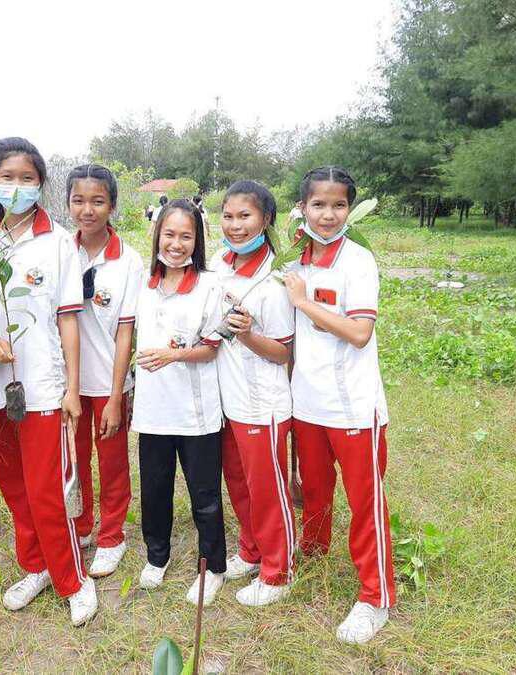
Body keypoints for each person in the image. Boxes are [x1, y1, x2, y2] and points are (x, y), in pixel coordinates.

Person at [0, 137, 97, 626]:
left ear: (41, 184)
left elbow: (68, 318)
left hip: (43, 384)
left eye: (27, 178)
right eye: (7, 177)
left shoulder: (58, 242)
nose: (17, 186)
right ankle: (35, 566)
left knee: (46, 488)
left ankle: (73, 579)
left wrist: (72, 387)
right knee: (13, 486)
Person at [282, 166, 395, 644]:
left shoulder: (358, 261)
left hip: (353, 406)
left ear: (350, 209)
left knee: (365, 502)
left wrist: (305, 303)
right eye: (318, 205)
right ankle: (312, 556)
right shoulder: (296, 262)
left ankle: (375, 596)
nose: (328, 215)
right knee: (314, 490)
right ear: (302, 208)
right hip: (307, 403)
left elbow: (359, 332)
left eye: (338, 205)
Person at [132, 199, 227, 606]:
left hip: (196, 413)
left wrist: (173, 355)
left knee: (204, 496)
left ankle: (214, 567)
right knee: (154, 490)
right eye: (169, 234)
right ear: (157, 235)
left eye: (186, 236)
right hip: (153, 410)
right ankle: (157, 556)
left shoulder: (209, 286)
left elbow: (212, 348)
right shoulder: (144, 284)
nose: (176, 244)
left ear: (197, 241)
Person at [211, 180, 296, 606]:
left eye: (245, 216)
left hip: (263, 403)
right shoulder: (217, 264)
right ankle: (251, 549)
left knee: (266, 489)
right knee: (239, 482)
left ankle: (278, 571)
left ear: (266, 219)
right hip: (228, 399)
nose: (235, 225)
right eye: (228, 216)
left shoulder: (276, 280)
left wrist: (247, 335)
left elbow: (283, 353)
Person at [67, 164, 143, 577]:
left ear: (112, 205)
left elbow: (125, 333)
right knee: (74, 459)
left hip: (109, 382)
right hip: (68, 383)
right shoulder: (61, 252)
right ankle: (81, 526)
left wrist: (116, 396)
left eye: (97, 201)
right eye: (78, 200)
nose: (87, 210)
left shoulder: (128, 261)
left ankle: (112, 535)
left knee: (112, 462)